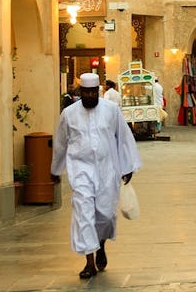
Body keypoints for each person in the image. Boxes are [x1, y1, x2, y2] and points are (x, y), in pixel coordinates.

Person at [51, 73, 142, 280]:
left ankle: (100, 245)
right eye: (86, 92)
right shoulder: (69, 114)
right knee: (84, 214)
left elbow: (124, 137)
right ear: (80, 92)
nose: (90, 95)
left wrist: (128, 165)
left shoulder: (111, 110)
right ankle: (89, 262)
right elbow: (61, 144)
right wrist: (56, 170)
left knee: (105, 215)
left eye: (94, 92)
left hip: (107, 170)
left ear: (98, 91)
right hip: (80, 171)